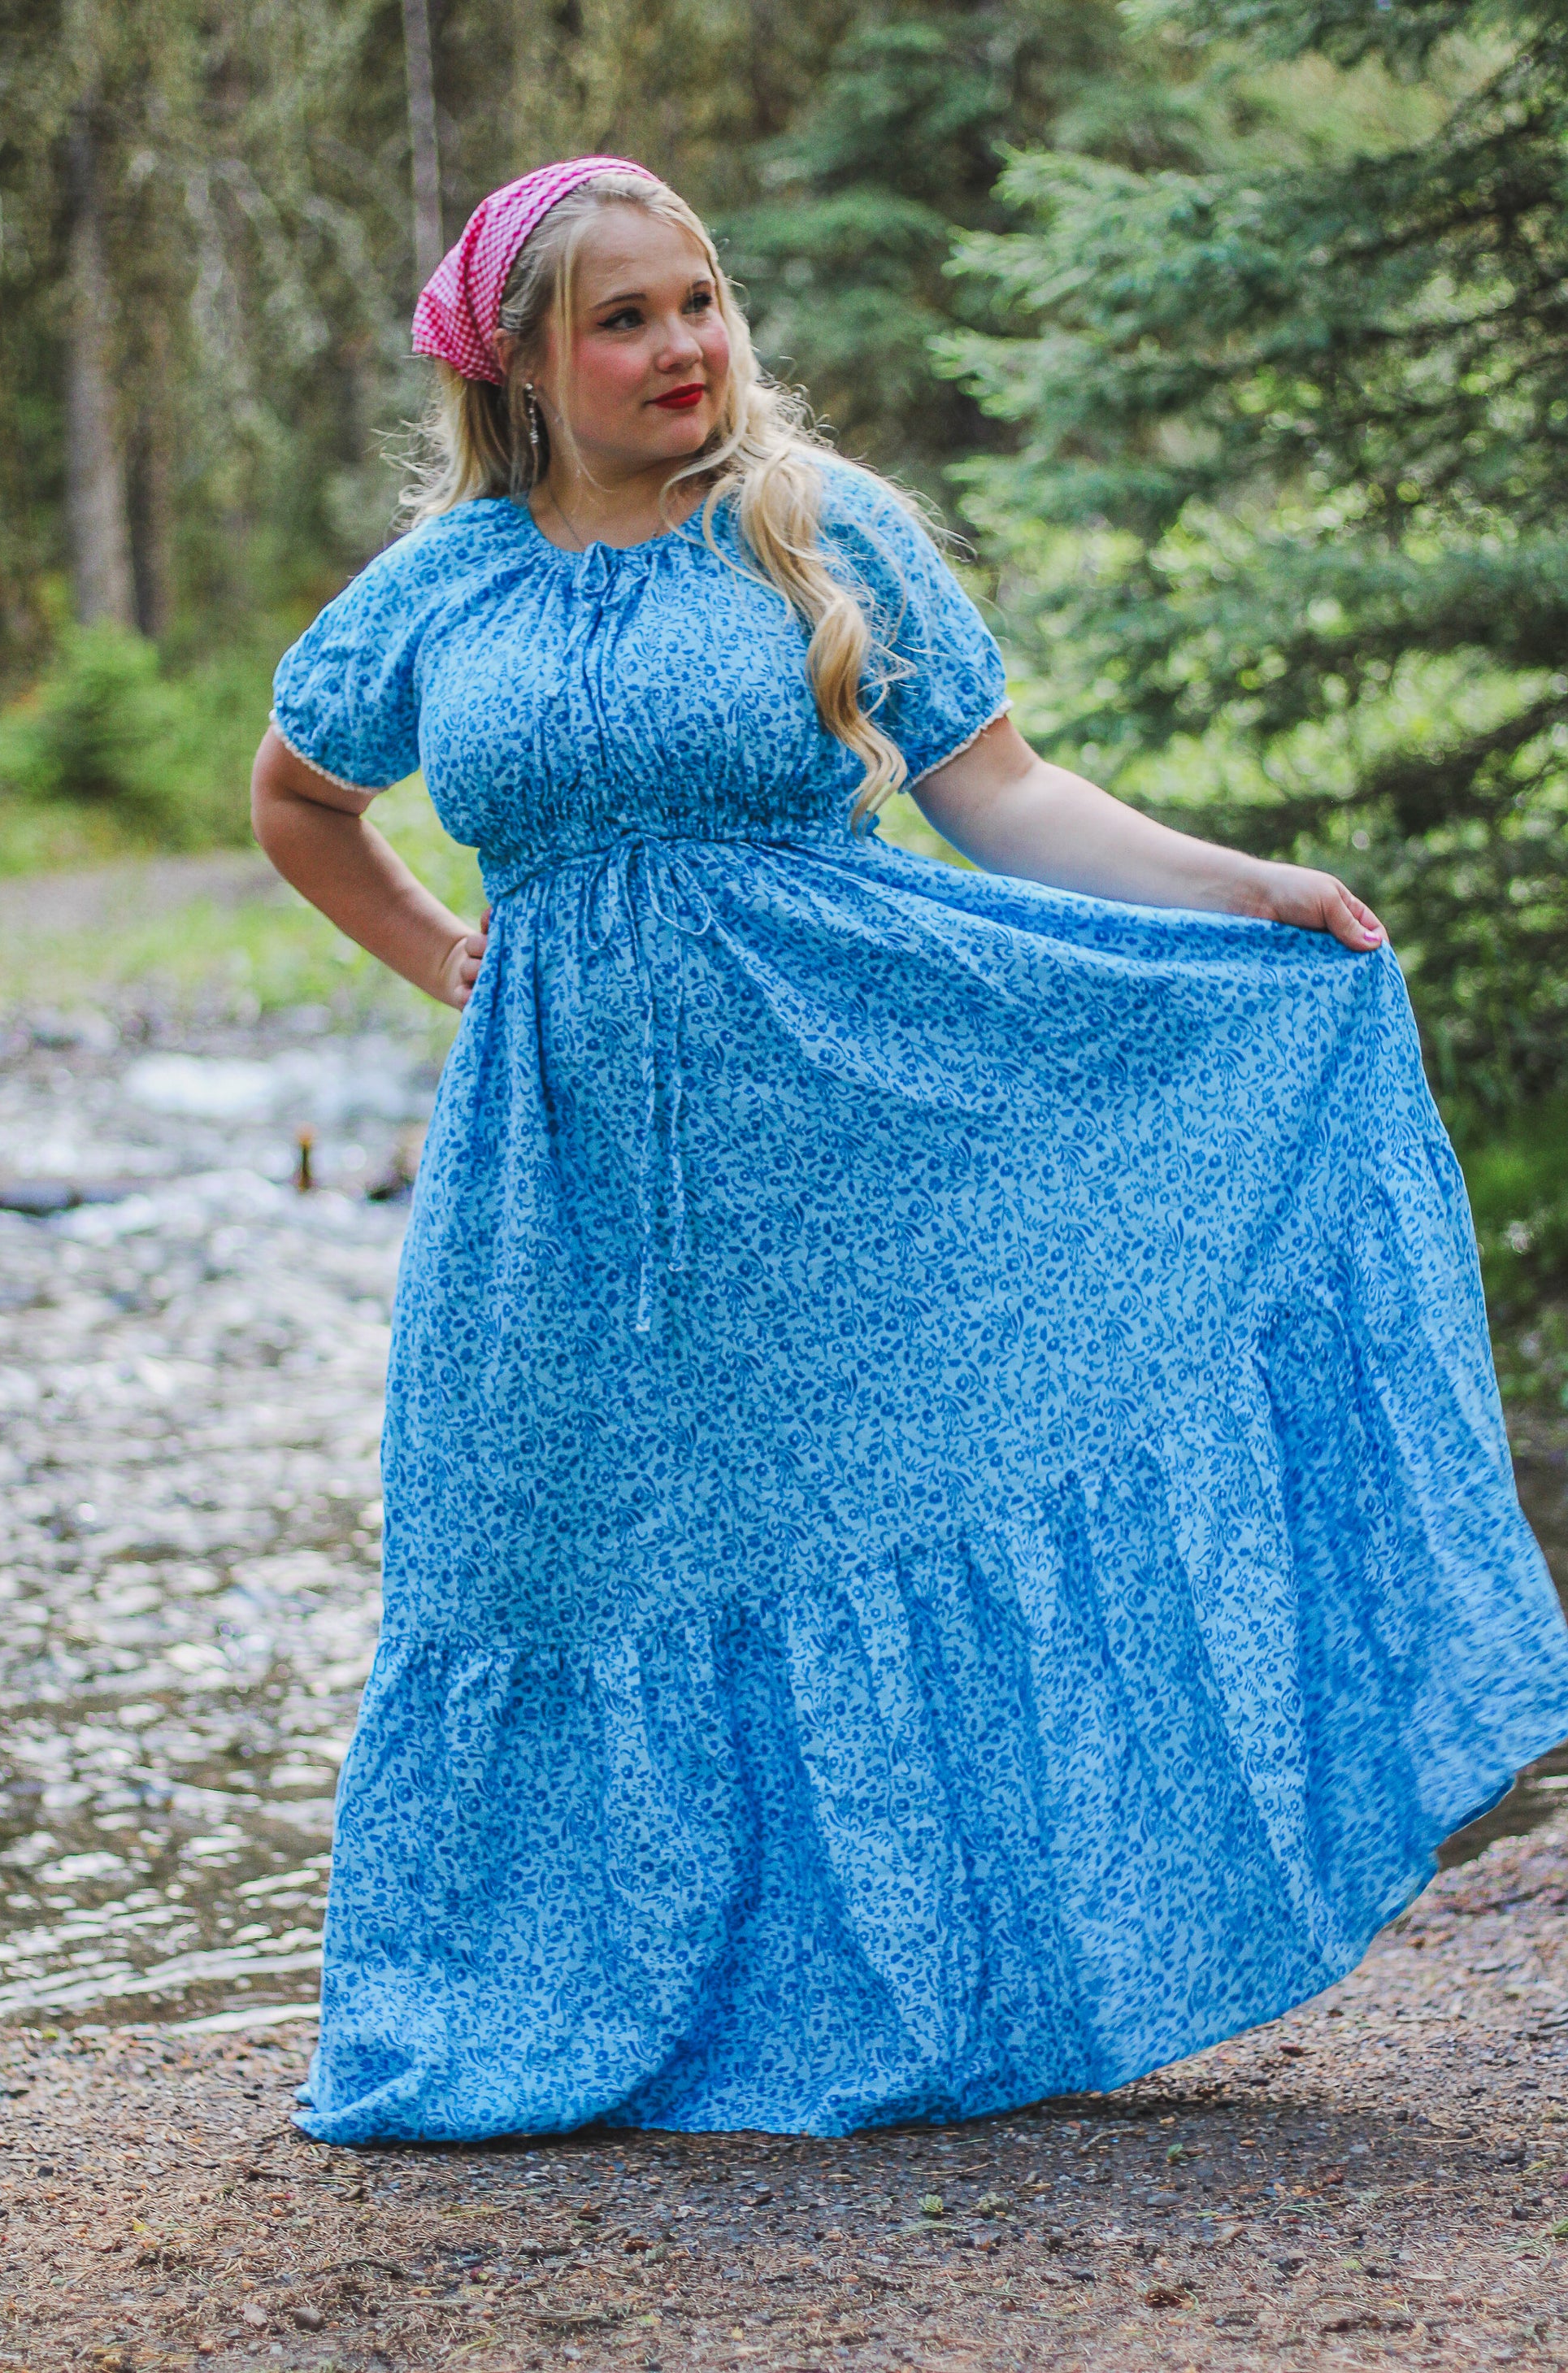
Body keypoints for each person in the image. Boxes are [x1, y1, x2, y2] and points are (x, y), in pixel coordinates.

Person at [253, 156, 1568, 2148]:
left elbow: (1005, 797)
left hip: (846, 1123)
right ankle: (532, 2004)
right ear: (519, 359)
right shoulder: (444, 583)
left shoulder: (813, 527)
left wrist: (1244, 890)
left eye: (697, 299)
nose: (683, 344)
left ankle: (895, 1990)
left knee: (843, 1514)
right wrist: (445, 948)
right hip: (560, 1171)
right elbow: (297, 795)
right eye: (626, 316)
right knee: (534, 1532)